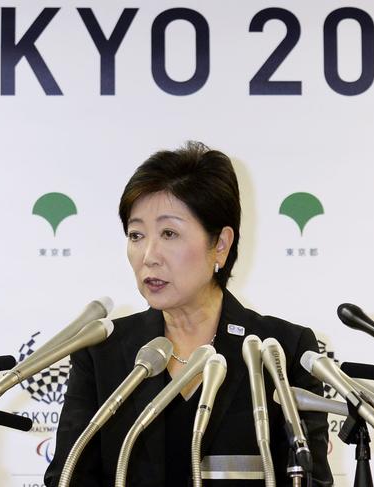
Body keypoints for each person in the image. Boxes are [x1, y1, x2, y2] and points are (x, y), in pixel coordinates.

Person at [44, 142, 334, 486]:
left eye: (169, 233)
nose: (149, 255)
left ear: (221, 245)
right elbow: (68, 477)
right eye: (136, 235)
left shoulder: (282, 350)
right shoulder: (101, 350)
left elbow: (310, 479)